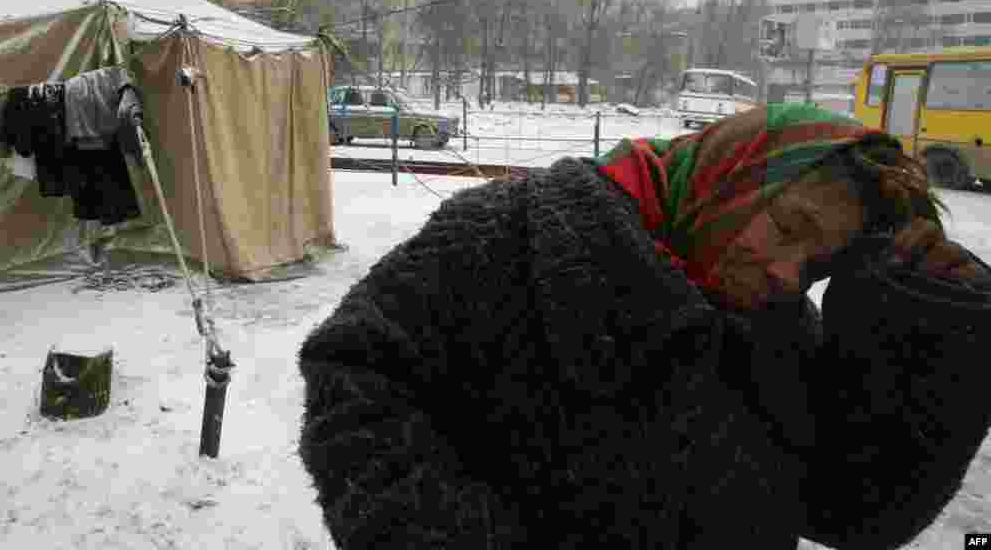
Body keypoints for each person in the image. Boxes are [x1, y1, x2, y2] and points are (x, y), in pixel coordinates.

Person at [297, 103, 991, 550]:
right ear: (734, 173)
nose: (787, 273)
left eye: (816, 263)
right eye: (788, 226)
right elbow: (355, 372)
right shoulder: (510, 234)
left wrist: (931, 335)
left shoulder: (776, 327)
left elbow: (852, 512)